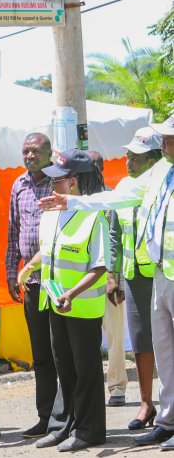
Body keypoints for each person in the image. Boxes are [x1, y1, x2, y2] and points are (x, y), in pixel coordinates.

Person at [38, 114, 174, 450]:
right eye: (163, 137)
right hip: (160, 273)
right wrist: (73, 201)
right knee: (165, 353)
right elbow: (117, 199)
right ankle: (168, 422)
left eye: (169, 138)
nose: (164, 143)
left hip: (160, 275)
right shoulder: (160, 172)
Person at [19, 149, 108, 451]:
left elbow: (99, 265)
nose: (50, 184)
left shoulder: (94, 216)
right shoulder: (51, 213)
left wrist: (72, 293)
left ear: (73, 182)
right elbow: (49, 249)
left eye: (57, 179)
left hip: (82, 305)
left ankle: (89, 430)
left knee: (87, 370)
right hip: (56, 302)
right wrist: (30, 265)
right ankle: (62, 425)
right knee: (64, 367)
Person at [5, 132, 62, 439]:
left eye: (35, 151)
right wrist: (11, 272)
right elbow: (14, 230)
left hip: (60, 279)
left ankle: (67, 416)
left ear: (49, 153)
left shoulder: (59, 181)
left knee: (61, 351)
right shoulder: (19, 185)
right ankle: (45, 417)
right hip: (32, 283)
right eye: (25, 151)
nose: (29, 156)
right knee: (40, 353)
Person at [107, 128, 163, 429]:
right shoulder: (123, 189)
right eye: (128, 156)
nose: (128, 163)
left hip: (163, 273)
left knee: (167, 341)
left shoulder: (165, 185)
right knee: (141, 343)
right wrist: (112, 276)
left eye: (136, 158)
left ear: (154, 160)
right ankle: (145, 405)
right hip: (134, 277)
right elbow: (114, 235)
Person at [86, 150, 128, 407]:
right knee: (86, 338)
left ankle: (117, 387)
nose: (94, 170)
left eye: (97, 166)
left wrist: (115, 278)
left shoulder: (112, 198)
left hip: (110, 281)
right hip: (84, 280)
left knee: (114, 334)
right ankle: (89, 389)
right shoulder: (76, 200)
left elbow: (117, 239)